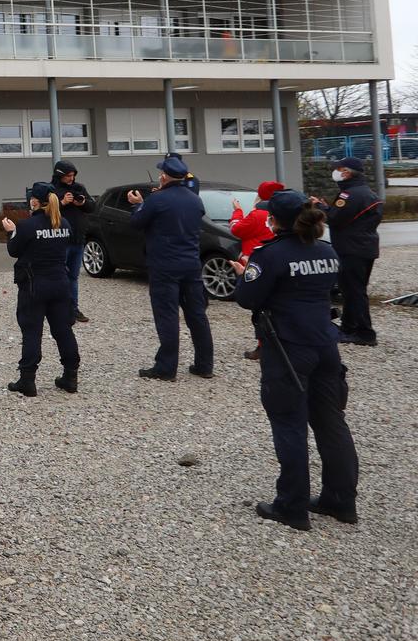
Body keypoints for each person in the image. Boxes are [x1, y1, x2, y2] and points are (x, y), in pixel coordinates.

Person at [233, 190, 359, 531]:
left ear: (273, 220)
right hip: (325, 344)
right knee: (331, 422)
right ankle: (341, 499)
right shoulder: (326, 250)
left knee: (289, 423)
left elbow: (247, 298)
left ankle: (292, 505)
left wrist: (244, 274)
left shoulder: (270, 254)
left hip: (287, 346)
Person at [127, 156, 214, 380]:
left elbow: (136, 223)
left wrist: (138, 205)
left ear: (164, 176)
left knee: (167, 315)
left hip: (164, 265)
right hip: (191, 264)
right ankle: (204, 364)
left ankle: (166, 367)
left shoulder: (157, 200)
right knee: (197, 315)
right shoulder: (195, 200)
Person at [1, 182, 80, 396]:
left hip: (34, 285)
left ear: (35, 201)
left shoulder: (27, 226)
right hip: (60, 284)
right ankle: (71, 377)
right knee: (63, 330)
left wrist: (11, 232)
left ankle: (27, 381)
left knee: (32, 332)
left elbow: (14, 250)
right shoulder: (64, 223)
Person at [325, 157, 382, 347]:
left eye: (338, 169)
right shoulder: (369, 193)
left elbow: (334, 218)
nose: (335, 172)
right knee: (353, 290)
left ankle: (365, 333)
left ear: (346, 172)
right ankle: (348, 327)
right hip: (366, 247)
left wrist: (320, 207)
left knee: (354, 292)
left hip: (350, 248)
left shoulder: (348, 195)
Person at [232, 180, 283, 361]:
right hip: (279, 264)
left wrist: (237, 211)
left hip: (256, 263)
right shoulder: (284, 212)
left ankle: (264, 346)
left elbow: (236, 229)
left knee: (260, 309)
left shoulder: (258, 214)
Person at [50, 159, 95, 323]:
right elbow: (45, 212)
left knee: (73, 277)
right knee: (58, 276)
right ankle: (56, 309)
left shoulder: (79, 188)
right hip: (60, 241)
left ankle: (73, 309)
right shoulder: (52, 190)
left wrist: (82, 203)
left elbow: (92, 207)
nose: (71, 178)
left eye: (73, 175)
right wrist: (62, 203)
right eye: (68, 175)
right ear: (59, 175)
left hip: (78, 240)